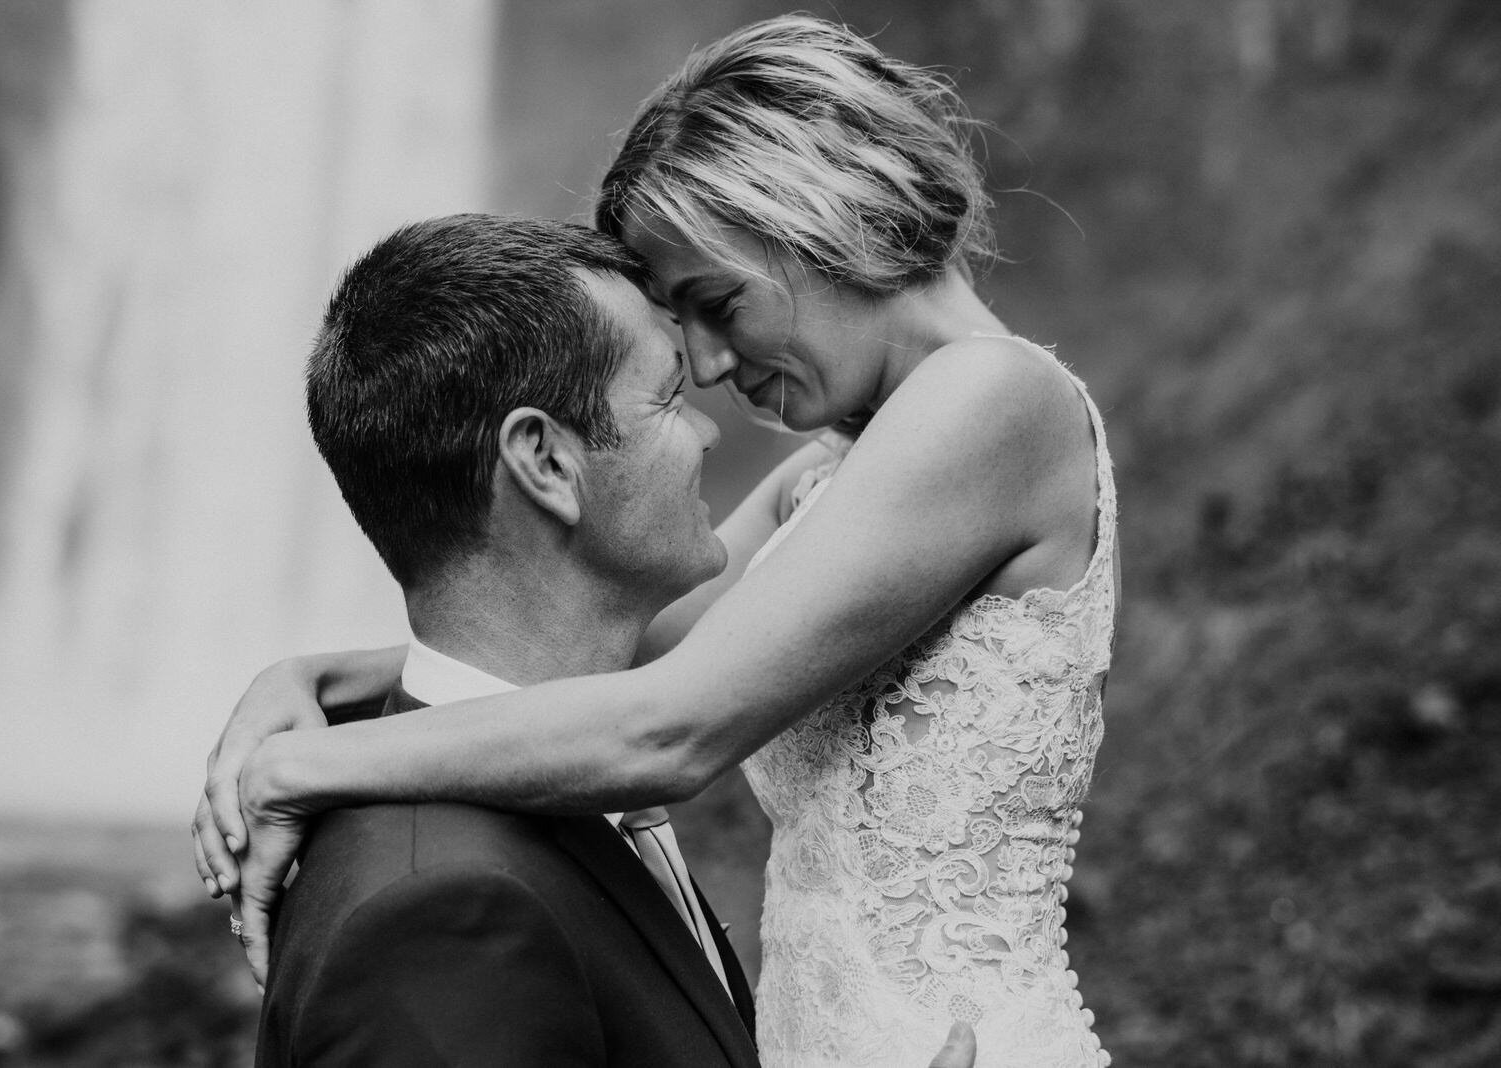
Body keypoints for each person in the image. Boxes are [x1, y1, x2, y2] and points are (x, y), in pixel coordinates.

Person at [198, 15, 1110, 1067]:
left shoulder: (993, 400)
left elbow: (667, 731)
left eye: (716, 304)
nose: (713, 367)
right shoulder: (835, 477)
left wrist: (307, 766)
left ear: (818, 216)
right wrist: (308, 676)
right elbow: (632, 638)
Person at [249, 214, 760, 1065]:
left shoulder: (538, 794)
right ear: (547, 462)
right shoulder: (444, 912)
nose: (707, 431)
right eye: (671, 398)